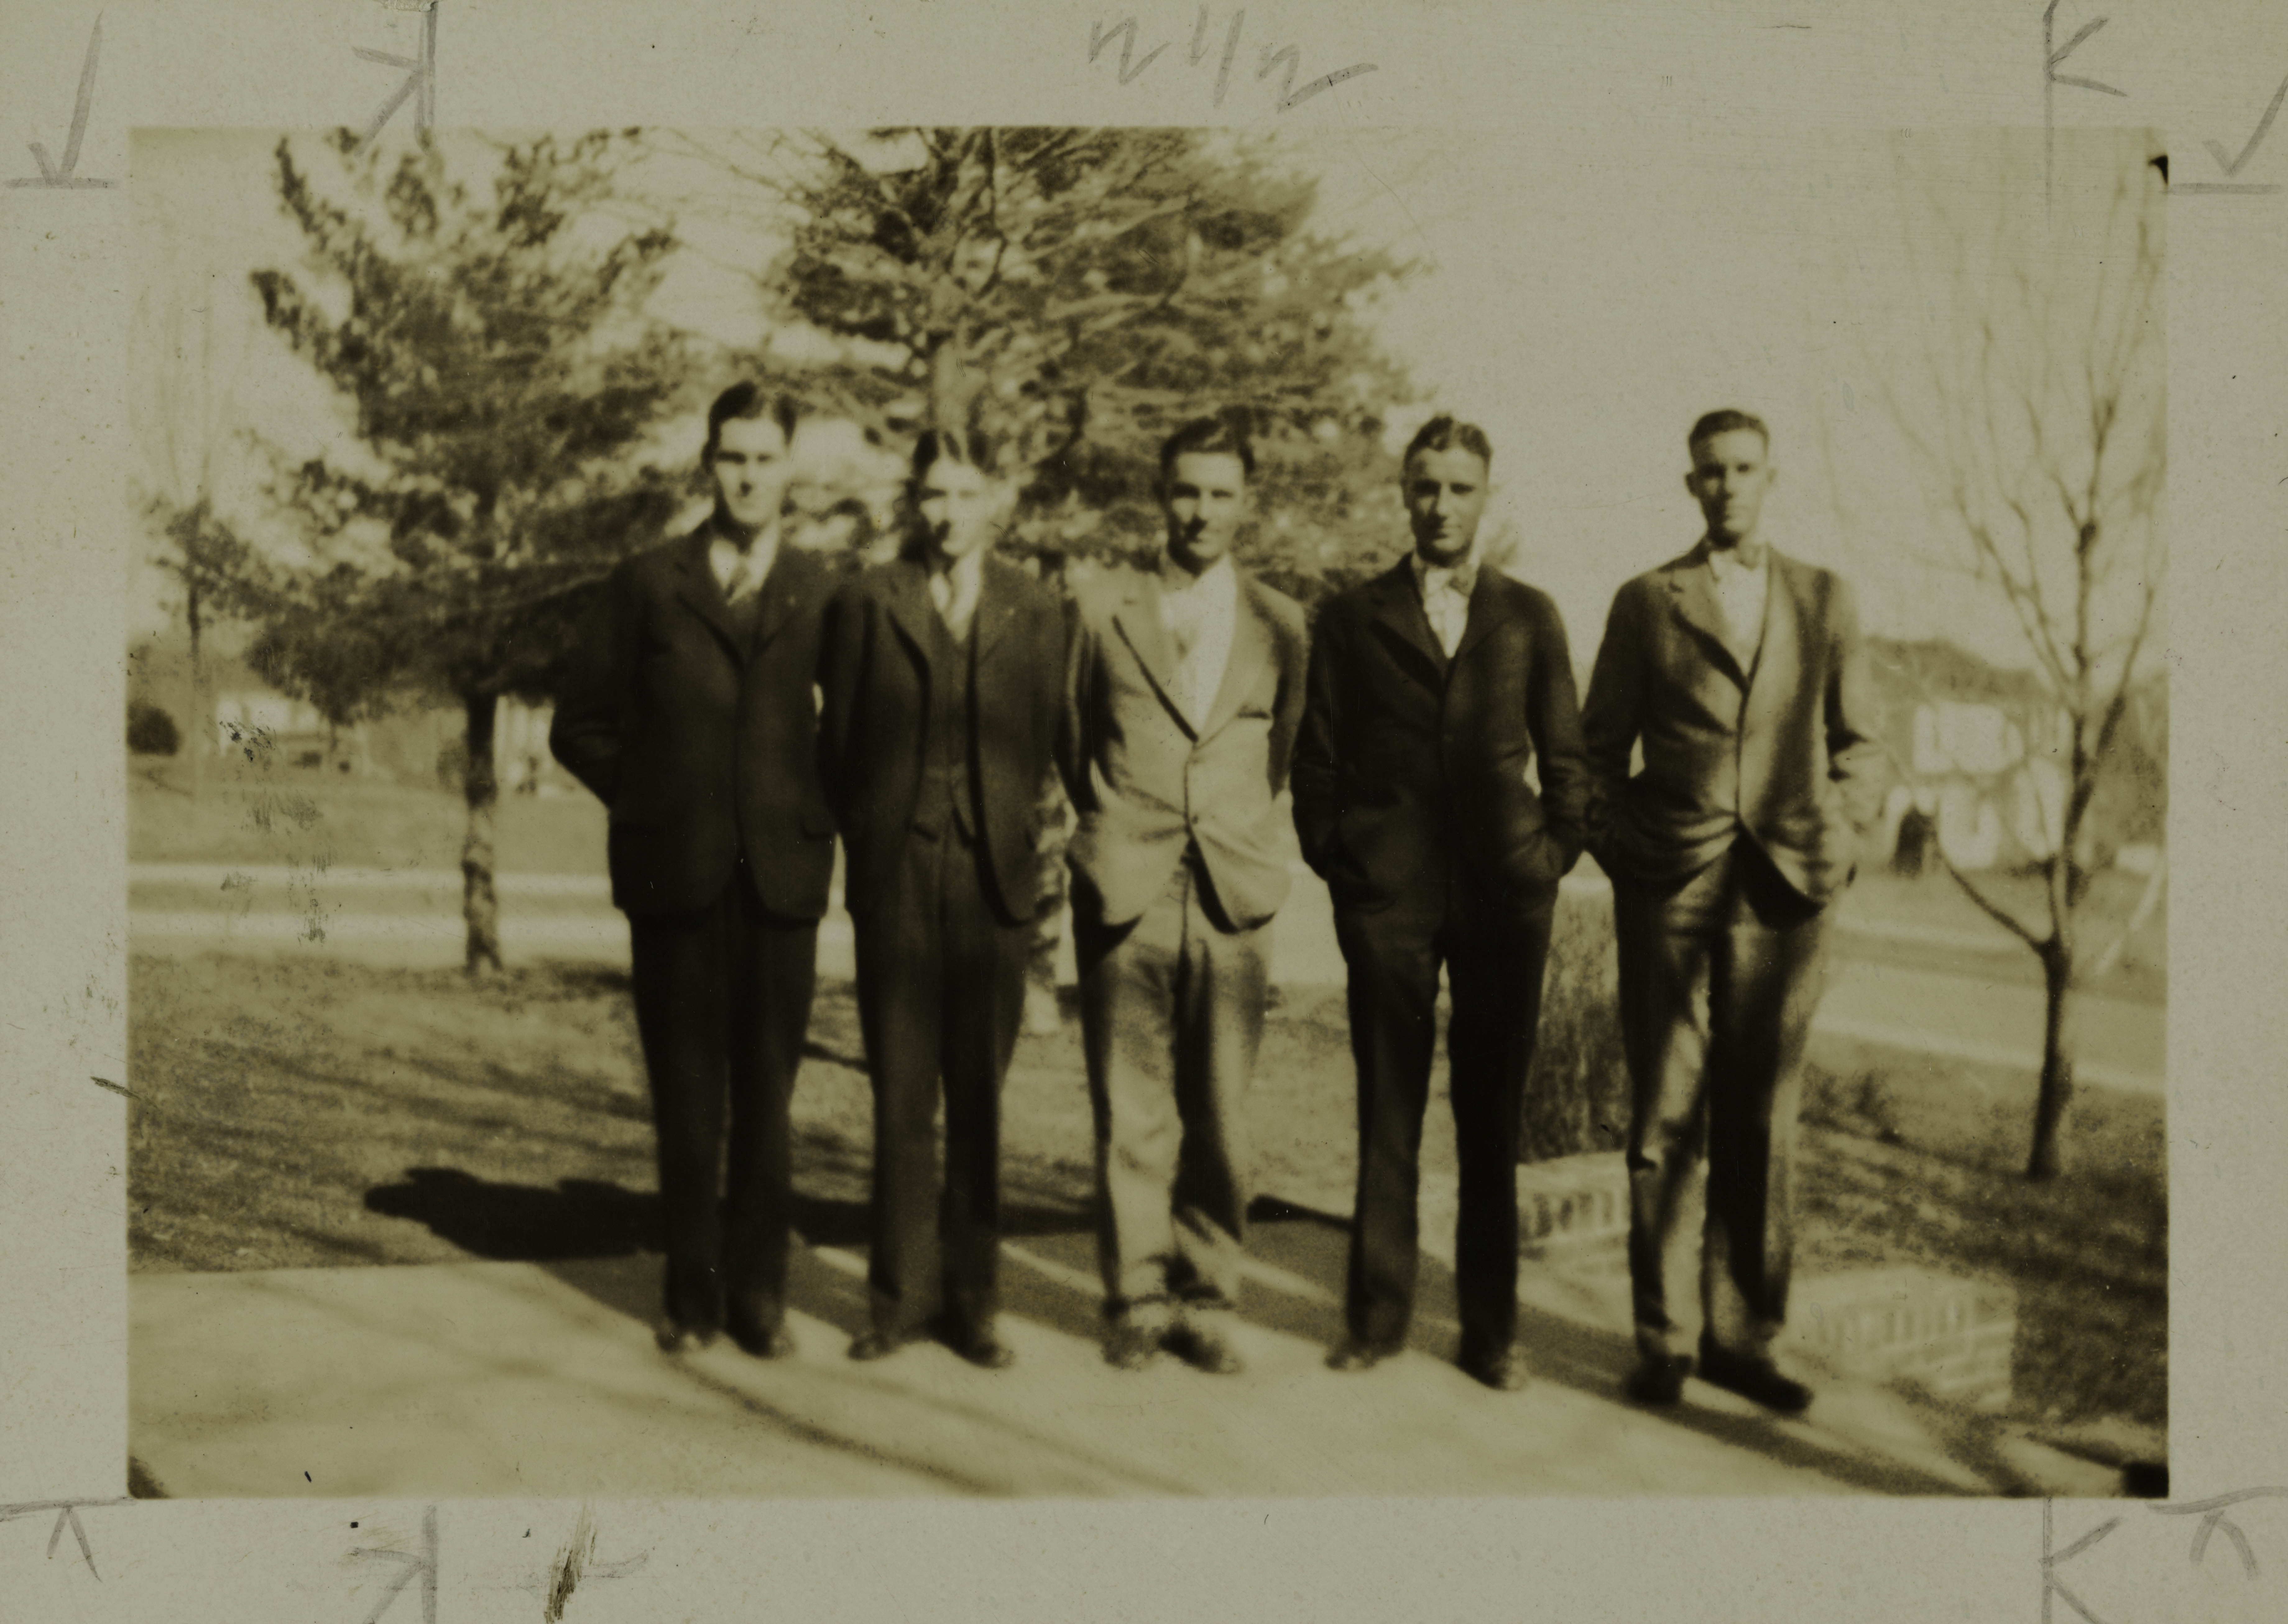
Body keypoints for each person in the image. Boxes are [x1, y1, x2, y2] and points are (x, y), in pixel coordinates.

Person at [1581, 408, 1882, 1414]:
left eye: (1744, 469)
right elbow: (1593, 755)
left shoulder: (1825, 599)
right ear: (1690, 484)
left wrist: (1843, 834)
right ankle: (1665, 1340)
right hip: (1669, 878)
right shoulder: (1645, 602)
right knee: (1666, 1111)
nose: (1728, 487)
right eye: (1710, 472)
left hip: (1788, 885)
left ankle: (1743, 1340)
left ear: (1771, 476)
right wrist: (1622, 849)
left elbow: (1861, 741)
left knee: (1764, 1117)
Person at [1291, 414, 1591, 1391]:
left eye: (1461, 488)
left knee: (1491, 1119)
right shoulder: (1349, 618)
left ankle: (1491, 1333)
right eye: (1426, 487)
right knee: (1389, 1111)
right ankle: (1376, 1319)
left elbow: (1569, 762)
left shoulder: (1530, 615)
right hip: (1391, 903)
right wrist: (1350, 871)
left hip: (1506, 901)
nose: (1442, 505)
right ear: (1404, 494)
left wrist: (1544, 858)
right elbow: (1318, 764)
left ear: (1486, 495)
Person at [549, 382, 839, 1359]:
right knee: (685, 1095)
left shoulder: (820, 588)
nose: (749, 475)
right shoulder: (648, 581)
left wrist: (812, 813)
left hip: (782, 887)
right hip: (674, 882)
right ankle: (690, 1297)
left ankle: (760, 1300)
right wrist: (649, 801)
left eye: (765, 457)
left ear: (789, 466)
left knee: (767, 1099)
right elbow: (578, 723)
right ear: (707, 463)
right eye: (732, 457)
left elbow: (862, 731)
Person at [1057, 414, 1310, 1375]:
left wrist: (1235, 832)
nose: (1201, 512)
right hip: (1128, 883)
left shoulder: (1282, 622)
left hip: (1233, 892)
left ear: (1246, 503)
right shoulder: (1099, 608)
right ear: (1160, 498)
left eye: (1221, 494)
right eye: (1186, 492)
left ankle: (1210, 1299)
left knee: (1222, 1111)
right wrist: (1114, 828)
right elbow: (1069, 736)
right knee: (1132, 1108)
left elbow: (1280, 747)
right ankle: (1136, 1296)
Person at [817, 428, 1065, 1370]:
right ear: (913, 503)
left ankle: (975, 1305)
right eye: (933, 495)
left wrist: (1017, 857)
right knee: (900, 1098)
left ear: (993, 498)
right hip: (896, 877)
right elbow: (837, 744)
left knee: (979, 1104)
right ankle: (896, 1301)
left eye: (965, 494)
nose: (947, 513)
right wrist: (876, 835)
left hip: (995, 884)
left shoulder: (1036, 609)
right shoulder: (868, 600)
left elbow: (1047, 747)